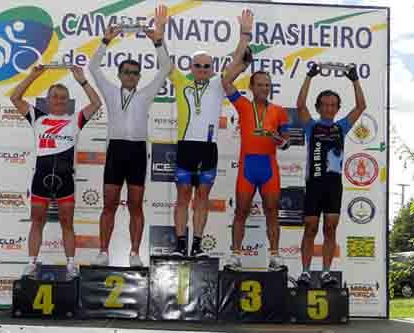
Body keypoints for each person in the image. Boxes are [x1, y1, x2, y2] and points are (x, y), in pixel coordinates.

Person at [88, 5, 171, 267]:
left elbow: (166, 67)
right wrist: (106, 40)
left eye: (135, 73)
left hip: (136, 152)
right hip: (116, 151)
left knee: (136, 205)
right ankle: (103, 252)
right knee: (109, 204)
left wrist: (157, 41)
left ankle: (135, 254)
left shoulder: (145, 94)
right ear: (120, 74)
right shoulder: (110, 91)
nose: (131, 76)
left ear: (139, 77)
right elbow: (93, 66)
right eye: (127, 72)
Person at [169, 10, 254, 257]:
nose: (203, 69)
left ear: (212, 68)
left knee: (202, 198)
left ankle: (196, 245)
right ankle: (179, 245)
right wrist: (159, 37)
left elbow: (237, 59)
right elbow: (164, 61)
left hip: (208, 148)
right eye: (198, 66)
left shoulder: (219, 83)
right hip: (186, 146)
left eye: (207, 66)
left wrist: (244, 36)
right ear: (191, 67)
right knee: (183, 196)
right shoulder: (181, 82)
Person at [10, 65, 102, 279]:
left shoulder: (75, 120)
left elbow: (96, 103)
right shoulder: (37, 117)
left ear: (68, 101)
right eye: (55, 96)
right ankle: (31, 263)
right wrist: (33, 75)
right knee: (37, 221)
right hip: (41, 177)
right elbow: (15, 97)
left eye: (63, 97)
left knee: (67, 223)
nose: (59, 100)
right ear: (48, 99)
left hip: (65, 179)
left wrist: (82, 80)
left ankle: (71, 264)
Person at [223, 39, 291, 270]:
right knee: (241, 211)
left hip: (268, 166)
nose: (265, 88)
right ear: (251, 88)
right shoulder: (242, 105)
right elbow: (225, 81)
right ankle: (235, 255)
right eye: (260, 85)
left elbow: (286, 143)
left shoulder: (279, 111)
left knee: (272, 211)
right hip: (247, 166)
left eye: (267, 85)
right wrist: (241, 63)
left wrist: (277, 139)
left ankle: (274, 255)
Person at [296, 63, 366, 287]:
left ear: (337, 108)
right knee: (310, 228)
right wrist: (309, 76)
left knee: (330, 228)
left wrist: (354, 80)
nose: (328, 109)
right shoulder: (311, 126)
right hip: (314, 184)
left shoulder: (342, 127)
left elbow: (361, 106)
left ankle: (326, 272)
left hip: (334, 186)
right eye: (324, 105)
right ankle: (305, 272)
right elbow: (299, 105)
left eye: (332, 105)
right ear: (318, 107)